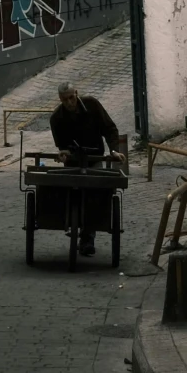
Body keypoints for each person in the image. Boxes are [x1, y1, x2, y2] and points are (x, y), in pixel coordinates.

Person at [50, 83, 121, 257]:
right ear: (60, 100)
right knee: (69, 190)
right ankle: (70, 222)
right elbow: (61, 144)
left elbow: (109, 128)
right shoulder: (56, 118)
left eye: (71, 98)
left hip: (94, 157)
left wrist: (113, 150)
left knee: (94, 193)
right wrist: (64, 152)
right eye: (65, 100)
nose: (69, 102)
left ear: (76, 94)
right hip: (73, 161)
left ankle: (88, 237)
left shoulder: (92, 105)